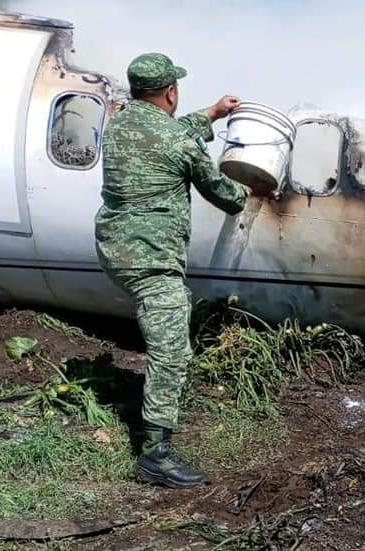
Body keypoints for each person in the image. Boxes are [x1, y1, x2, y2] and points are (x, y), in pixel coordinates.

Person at [94, 52, 251, 488]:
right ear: (170, 91)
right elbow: (226, 195)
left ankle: (155, 440)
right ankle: (153, 457)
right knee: (171, 354)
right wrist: (251, 188)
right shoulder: (179, 144)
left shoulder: (121, 122)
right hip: (151, 259)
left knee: (166, 333)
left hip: (116, 248)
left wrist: (214, 113)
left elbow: (169, 133)